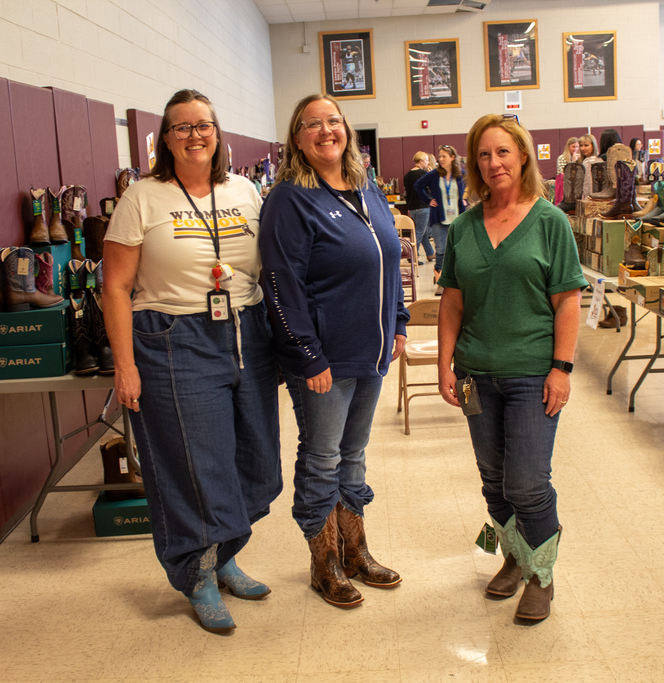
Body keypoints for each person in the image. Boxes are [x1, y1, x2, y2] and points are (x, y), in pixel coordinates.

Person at [102, 89, 282, 635]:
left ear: (218, 132)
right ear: (165, 138)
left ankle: (224, 550)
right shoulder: (143, 196)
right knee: (192, 464)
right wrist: (125, 365)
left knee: (254, 458)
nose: (195, 135)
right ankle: (198, 573)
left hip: (246, 331)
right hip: (173, 335)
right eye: (181, 127)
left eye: (204, 125)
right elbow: (115, 285)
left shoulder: (246, 190)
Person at [260, 93, 409, 609]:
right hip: (324, 359)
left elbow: (391, 261)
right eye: (312, 125)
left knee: (353, 455)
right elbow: (281, 284)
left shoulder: (367, 189)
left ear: (347, 129)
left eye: (333, 121)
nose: (326, 131)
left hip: (371, 354)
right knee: (322, 458)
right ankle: (323, 564)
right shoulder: (289, 199)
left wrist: (400, 323)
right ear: (296, 139)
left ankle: (355, 552)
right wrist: (307, 354)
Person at [436, 114, 586, 623]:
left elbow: (568, 301)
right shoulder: (463, 226)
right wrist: (444, 365)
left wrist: (561, 368)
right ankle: (514, 559)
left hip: (531, 373)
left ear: (523, 156)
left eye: (503, 152)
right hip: (476, 375)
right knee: (493, 480)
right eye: (483, 154)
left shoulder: (550, 221)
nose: (493, 162)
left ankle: (542, 576)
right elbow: (452, 303)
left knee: (527, 482)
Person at [415, 144, 467, 293]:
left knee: (458, 250)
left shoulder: (460, 174)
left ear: (452, 157)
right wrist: (428, 200)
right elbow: (418, 186)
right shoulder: (434, 174)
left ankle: (456, 281)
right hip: (439, 218)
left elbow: (470, 188)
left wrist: (466, 200)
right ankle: (440, 282)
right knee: (441, 250)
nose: (441, 159)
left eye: (444, 156)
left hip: (457, 218)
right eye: (440, 156)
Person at [404, 151, 434, 265]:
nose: (427, 162)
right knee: (420, 232)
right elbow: (431, 189)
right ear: (421, 161)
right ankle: (412, 256)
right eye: (426, 160)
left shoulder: (407, 175)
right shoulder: (423, 174)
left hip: (412, 207)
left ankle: (430, 253)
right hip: (422, 206)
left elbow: (407, 193)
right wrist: (431, 175)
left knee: (423, 231)